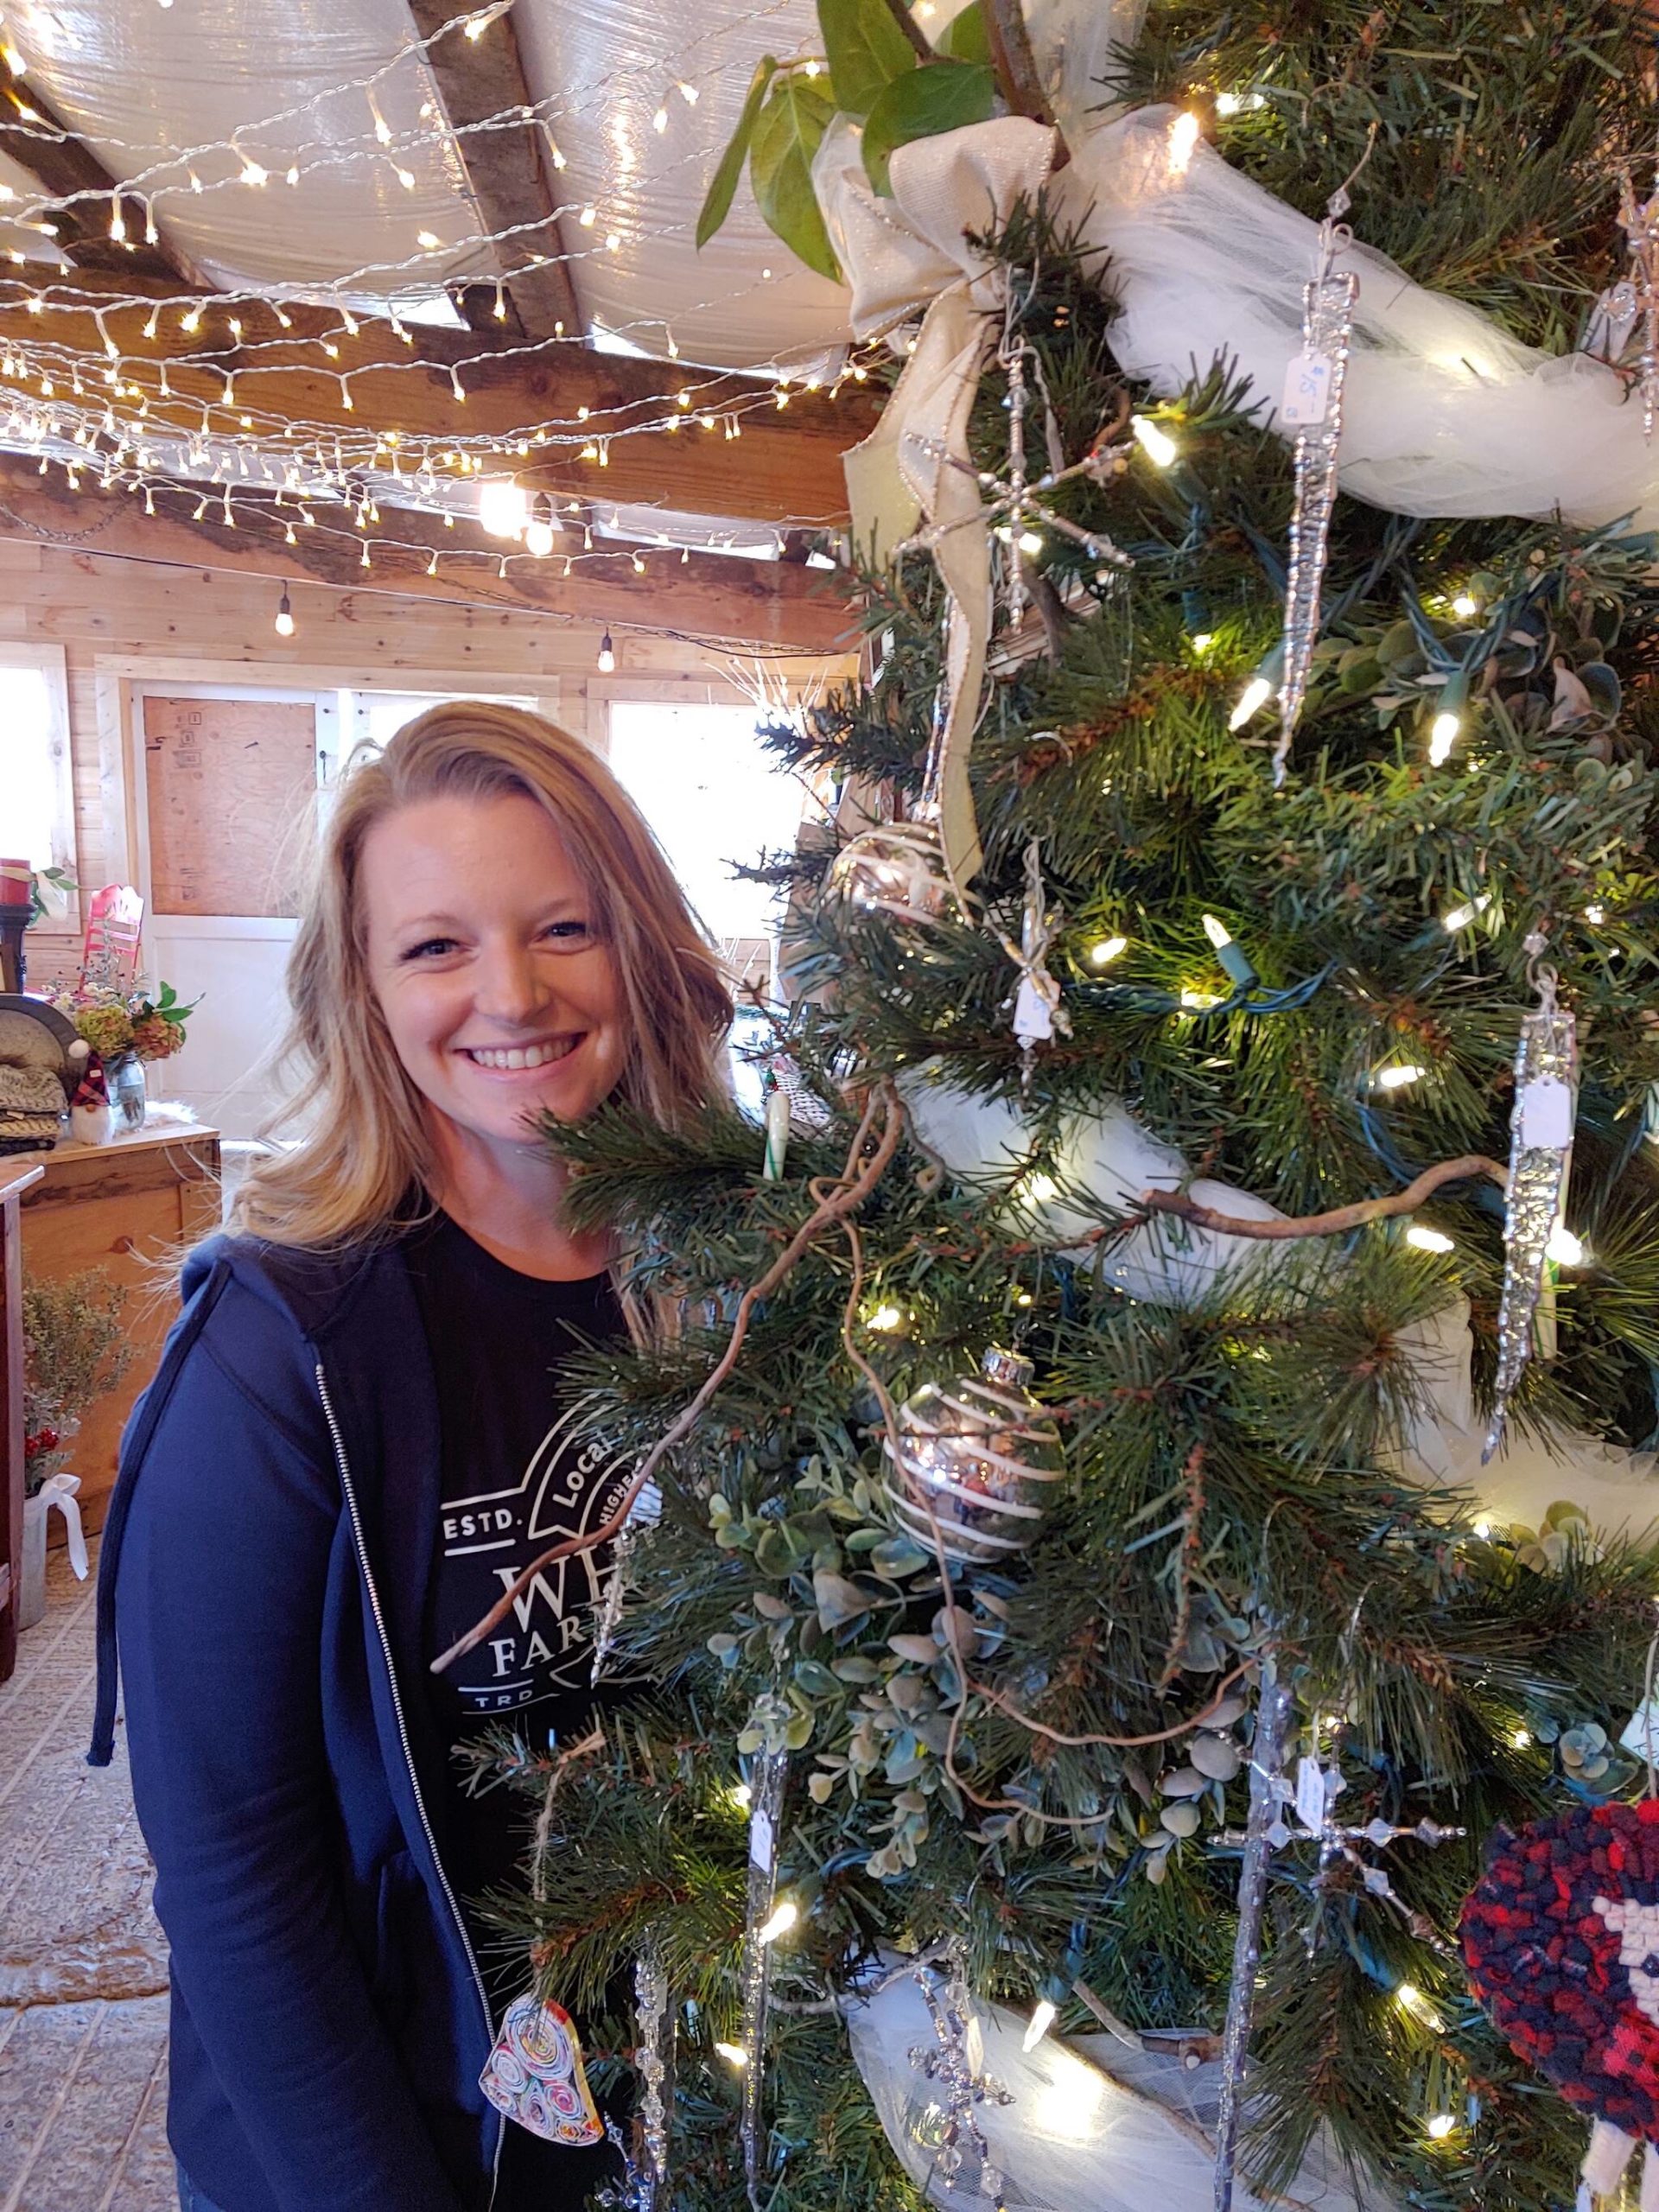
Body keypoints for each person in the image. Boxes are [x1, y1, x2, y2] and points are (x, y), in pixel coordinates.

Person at [89, 702, 734, 2212]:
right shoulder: (278, 1352)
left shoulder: (736, 1285)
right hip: (400, 2139)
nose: (512, 991)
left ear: (638, 947)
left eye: (564, 924)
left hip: (686, 2100)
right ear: (364, 990)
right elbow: (238, 1882)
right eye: (435, 946)